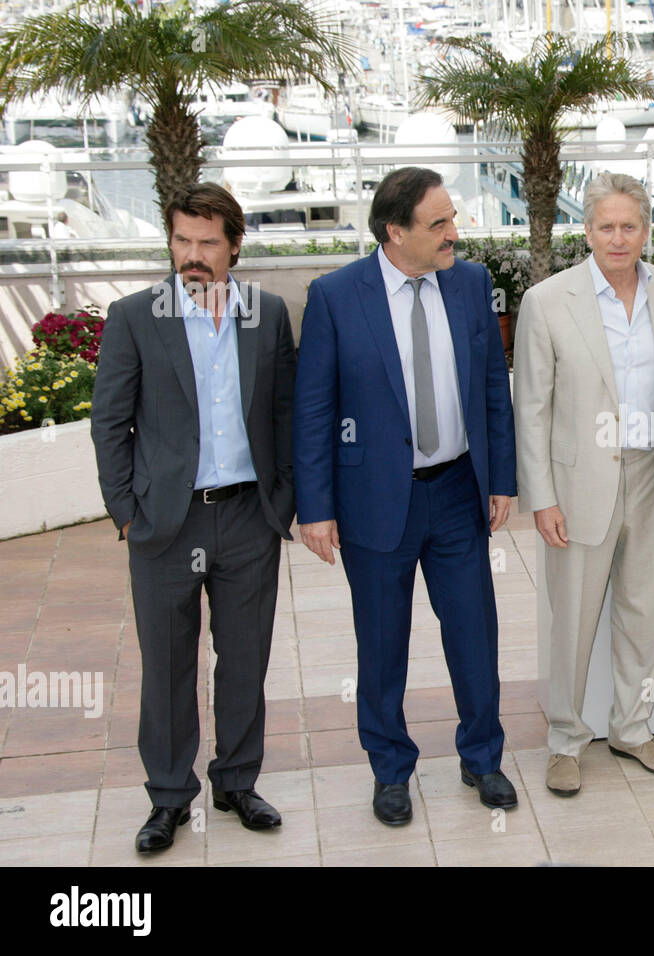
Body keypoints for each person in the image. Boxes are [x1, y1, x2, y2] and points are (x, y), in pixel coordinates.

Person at [293, 167, 519, 823]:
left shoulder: (471, 284)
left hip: (456, 494)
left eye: (453, 218)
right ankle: (391, 770)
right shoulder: (336, 296)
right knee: (383, 645)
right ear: (396, 232)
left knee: (475, 637)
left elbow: (491, 392)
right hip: (374, 502)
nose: (455, 233)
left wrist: (500, 478)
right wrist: (317, 507)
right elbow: (313, 411)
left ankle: (483, 758)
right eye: (439, 223)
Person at [91, 183, 296, 852]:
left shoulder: (265, 314)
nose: (193, 255)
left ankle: (237, 781)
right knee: (168, 665)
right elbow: (109, 421)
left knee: (244, 661)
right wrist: (126, 513)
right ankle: (169, 797)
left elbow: (286, 413)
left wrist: (284, 499)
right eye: (182, 240)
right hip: (164, 524)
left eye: (208, 242)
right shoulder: (133, 316)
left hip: (246, 518)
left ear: (234, 245)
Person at [513, 171, 654, 796]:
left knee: (648, 616)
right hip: (579, 482)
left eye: (630, 226)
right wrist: (542, 497)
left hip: (651, 472)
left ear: (646, 230)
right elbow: (531, 407)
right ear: (586, 230)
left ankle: (634, 728)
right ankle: (566, 739)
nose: (619, 238)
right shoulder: (548, 300)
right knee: (575, 621)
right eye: (606, 226)